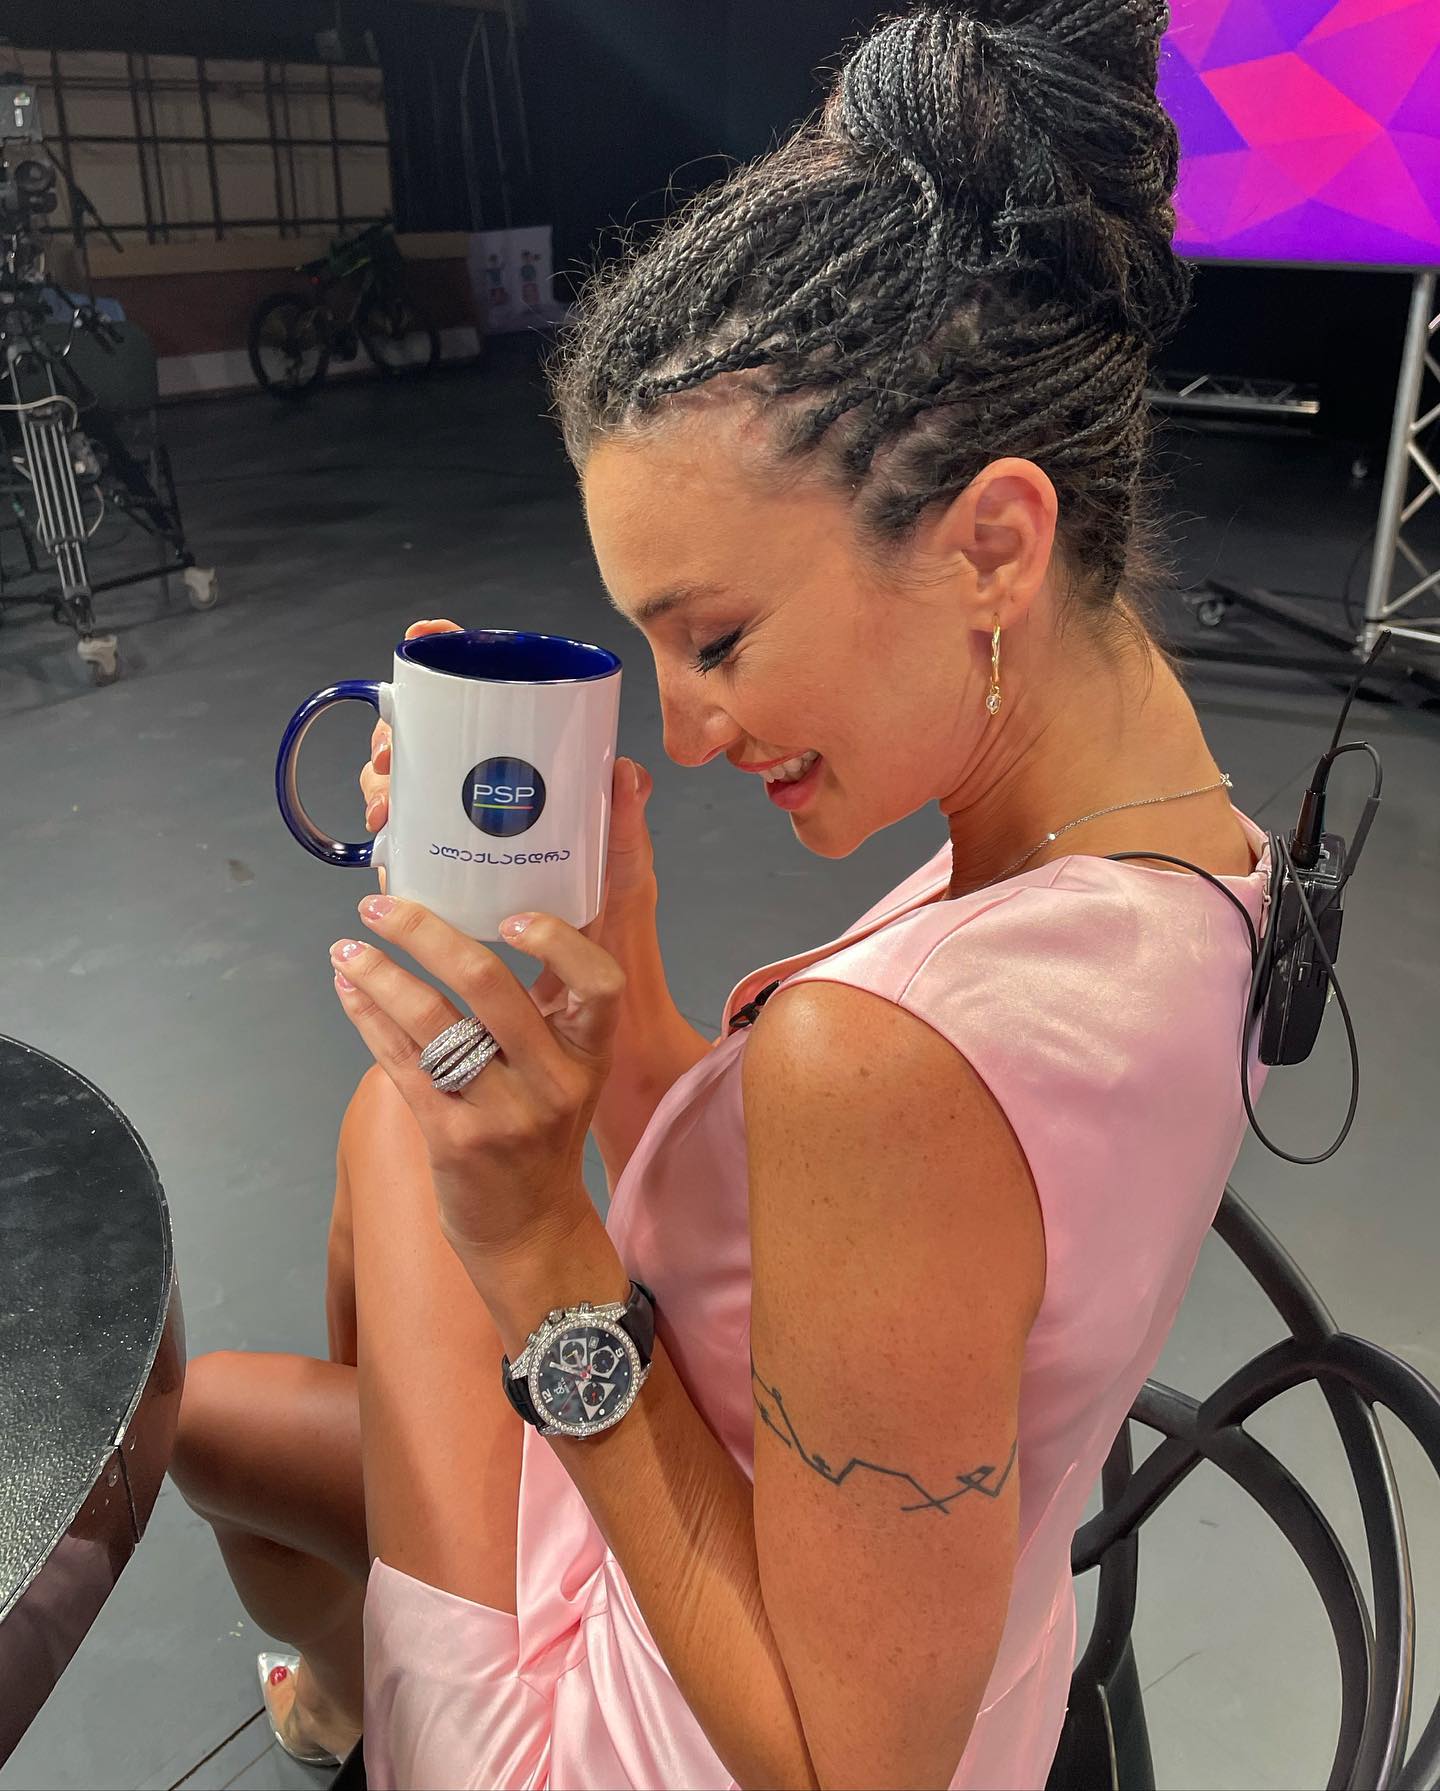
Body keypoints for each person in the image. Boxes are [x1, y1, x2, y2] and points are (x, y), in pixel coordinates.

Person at [169, 2, 1274, 1785]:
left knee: (223, 1386)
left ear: (994, 542)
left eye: (720, 639)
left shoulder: (891, 1062)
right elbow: (841, 1229)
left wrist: (540, 1239)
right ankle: (359, 1668)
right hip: (923, 1593)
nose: (683, 732)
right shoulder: (1163, 832)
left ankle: (367, 1697)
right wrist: (617, 963)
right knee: (387, 1148)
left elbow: (846, 1773)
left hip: (675, 1724)